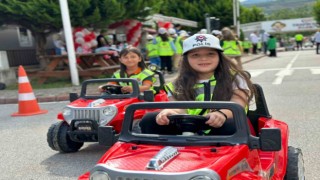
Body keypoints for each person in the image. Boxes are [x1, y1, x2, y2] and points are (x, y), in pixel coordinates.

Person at [140, 34, 255, 135]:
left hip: (223, 126)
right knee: (149, 119)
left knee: (232, 123)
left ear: (219, 56)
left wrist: (222, 114)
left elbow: (238, 103)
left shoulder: (235, 77)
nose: (203, 59)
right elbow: (179, 108)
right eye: (195, 55)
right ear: (186, 59)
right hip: (188, 127)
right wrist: (170, 112)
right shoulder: (176, 83)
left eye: (210, 54)